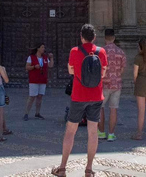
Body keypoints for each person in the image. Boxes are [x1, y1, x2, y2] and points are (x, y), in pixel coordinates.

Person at [51, 24, 107, 177]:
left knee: (70, 131)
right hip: (96, 96)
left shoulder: (75, 51)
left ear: (81, 37)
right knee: (93, 132)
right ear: (94, 37)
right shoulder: (101, 52)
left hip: (78, 95)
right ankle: (88, 169)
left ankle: (63, 168)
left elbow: (71, 71)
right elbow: (103, 74)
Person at [98, 29, 126, 142]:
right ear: (114, 38)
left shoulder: (101, 52)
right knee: (113, 109)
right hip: (116, 84)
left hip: (103, 84)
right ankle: (111, 134)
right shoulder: (121, 52)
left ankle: (101, 132)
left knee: (100, 107)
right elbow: (122, 69)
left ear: (105, 38)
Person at [24, 43, 53, 121]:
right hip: (34, 80)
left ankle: (37, 113)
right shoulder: (31, 57)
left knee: (40, 96)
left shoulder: (45, 57)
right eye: (42, 47)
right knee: (32, 97)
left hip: (42, 80)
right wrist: (34, 67)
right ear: (38, 48)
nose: (44, 49)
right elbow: (27, 67)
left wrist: (51, 58)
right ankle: (26, 113)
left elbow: (50, 65)